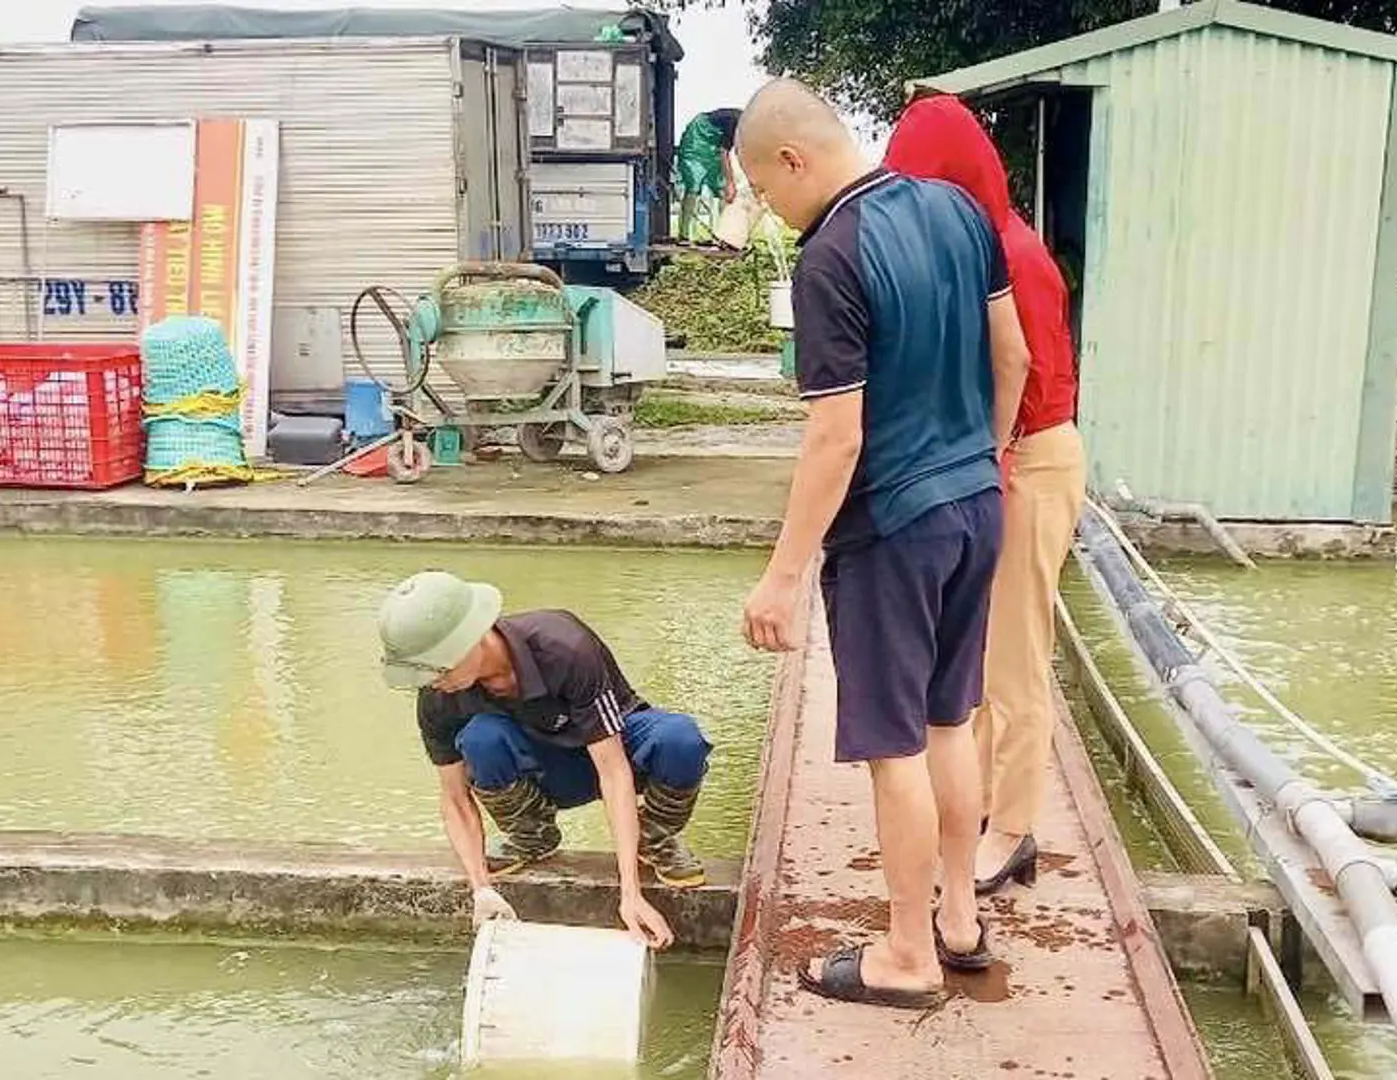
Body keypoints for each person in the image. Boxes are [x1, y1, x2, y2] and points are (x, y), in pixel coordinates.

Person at [733, 79, 1031, 1009]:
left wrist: (781, 579)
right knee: (950, 721)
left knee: (892, 746)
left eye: (765, 192)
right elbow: (1011, 356)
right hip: (976, 502)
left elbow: (836, 437)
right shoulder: (956, 210)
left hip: (892, 528)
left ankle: (904, 956)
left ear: (792, 160)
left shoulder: (828, 258)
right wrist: (980, 457)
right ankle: (955, 920)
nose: (775, 215)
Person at [884, 94, 1087, 897]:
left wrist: (991, 458)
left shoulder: (1015, 257)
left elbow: (1023, 374)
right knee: (972, 652)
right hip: (993, 460)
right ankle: (980, 809)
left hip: (1030, 458)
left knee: (1014, 659)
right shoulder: (973, 247)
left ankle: (1012, 826)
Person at [377, 571, 713, 948]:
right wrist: (480, 889)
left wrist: (630, 893)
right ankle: (531, 835)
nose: (433, 681)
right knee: (480, 738)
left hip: (614, 751)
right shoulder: (437, 696)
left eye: (439, 667)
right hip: (543, 771)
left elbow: (614, 770)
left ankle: (653, 839)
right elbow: (454, 798)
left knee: (680, 739)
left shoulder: (563, 646)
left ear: (474, 637)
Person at [675, 107, 742, 239]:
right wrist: (730, 182)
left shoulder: (751, 132)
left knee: (721, 189)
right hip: (699, 135)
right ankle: (684, 234)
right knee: (694, 185)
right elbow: (724, 153)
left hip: (714, 143)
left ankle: (723, 236)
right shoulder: (737, 123)